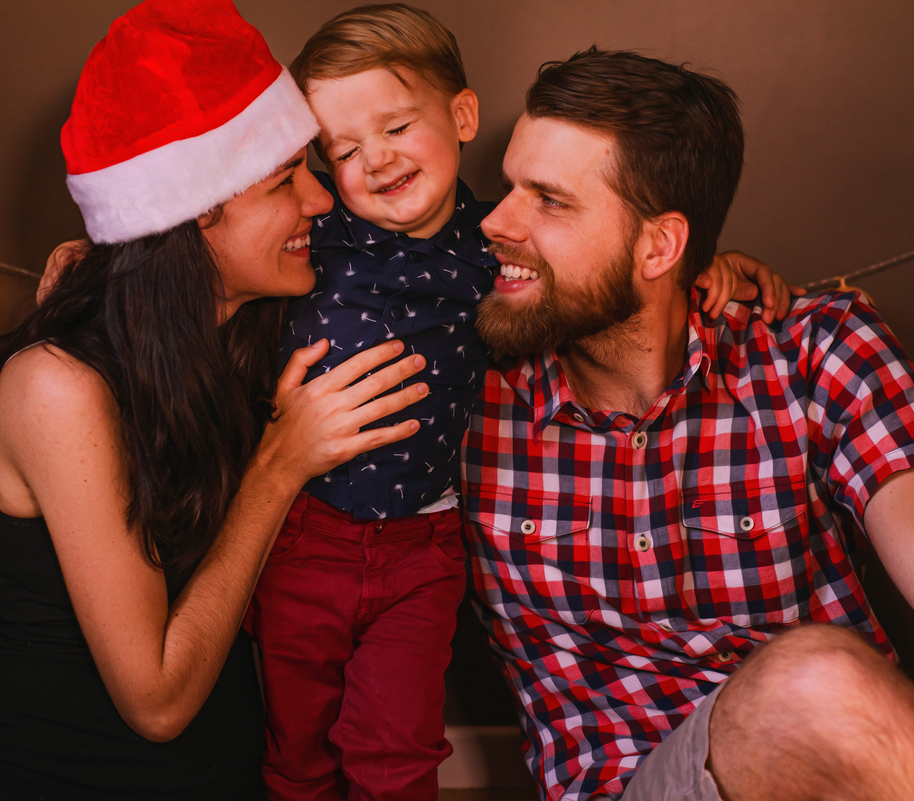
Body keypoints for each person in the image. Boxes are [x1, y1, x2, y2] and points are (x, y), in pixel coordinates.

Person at [461, 47, 914, 801]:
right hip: (644, 779)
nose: (495, 220)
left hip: (874, 749)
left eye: (547, 200)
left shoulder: (812, 345)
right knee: (813, 677)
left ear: (659, 246)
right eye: (511, 185)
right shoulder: (460, 385)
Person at [239, 7, 799, 800]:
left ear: (461, 115)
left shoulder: (495, 247)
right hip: (306, 528)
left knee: (391, 746)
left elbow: (610, 278)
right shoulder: (317, 230)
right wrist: (99, 257)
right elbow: (219, 248)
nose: (377, 160)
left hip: (421, 545)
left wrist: (715, 264)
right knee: (296, 744)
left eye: (396, 125)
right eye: (344, 150)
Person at [0, 1, 429, 797]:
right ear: (193, 216)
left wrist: (694, 279)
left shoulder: (254, 329)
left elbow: (447, 260)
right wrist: (279, 463)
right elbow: (155, 701)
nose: (321, 200)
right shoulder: (57, 385)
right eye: (284, 179)